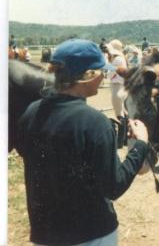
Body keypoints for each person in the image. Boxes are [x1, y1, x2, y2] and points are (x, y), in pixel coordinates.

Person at [15, 38, 150, 246]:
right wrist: (140, 144)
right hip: (91, 234)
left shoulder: (30, 113)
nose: (104, 77)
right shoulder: (94, 122)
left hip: (45, 234)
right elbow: (114, 187)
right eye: (101, 72)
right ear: (88, 75)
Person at [106, 39, 128, 119]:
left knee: (119, 112)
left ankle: (122, 129)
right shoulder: (121, 58)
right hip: (120, 86)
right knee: (122, 109)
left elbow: (109, 75)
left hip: (117, 86)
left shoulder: (117, 59)